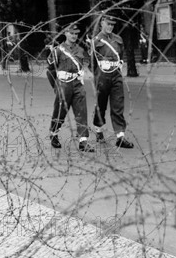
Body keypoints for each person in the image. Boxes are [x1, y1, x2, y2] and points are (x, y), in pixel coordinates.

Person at [88, 13, 134, 149]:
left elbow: (121, 56)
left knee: (118, 106)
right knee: (100, 106)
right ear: (102, 23)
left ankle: (120, 137)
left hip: (116, 76)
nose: (110, 27)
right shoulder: (95, 41)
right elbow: (91, 64)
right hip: (102, 77)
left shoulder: (118, 39)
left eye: (113, 25)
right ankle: (98, 130)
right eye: (108, 24)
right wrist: (99, 75)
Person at [47, 23, 94, 153]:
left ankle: (83, 141)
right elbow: (50, 71)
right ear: (65, 33)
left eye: (76, 34)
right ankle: (54, 133)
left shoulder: (80, 50)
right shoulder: (58, 50)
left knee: (81, 111)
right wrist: (56, 87)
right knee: (60, 111)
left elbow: (87, 63)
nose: (74, 36)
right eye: (71, 33)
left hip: (78, 84)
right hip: (64, 84)